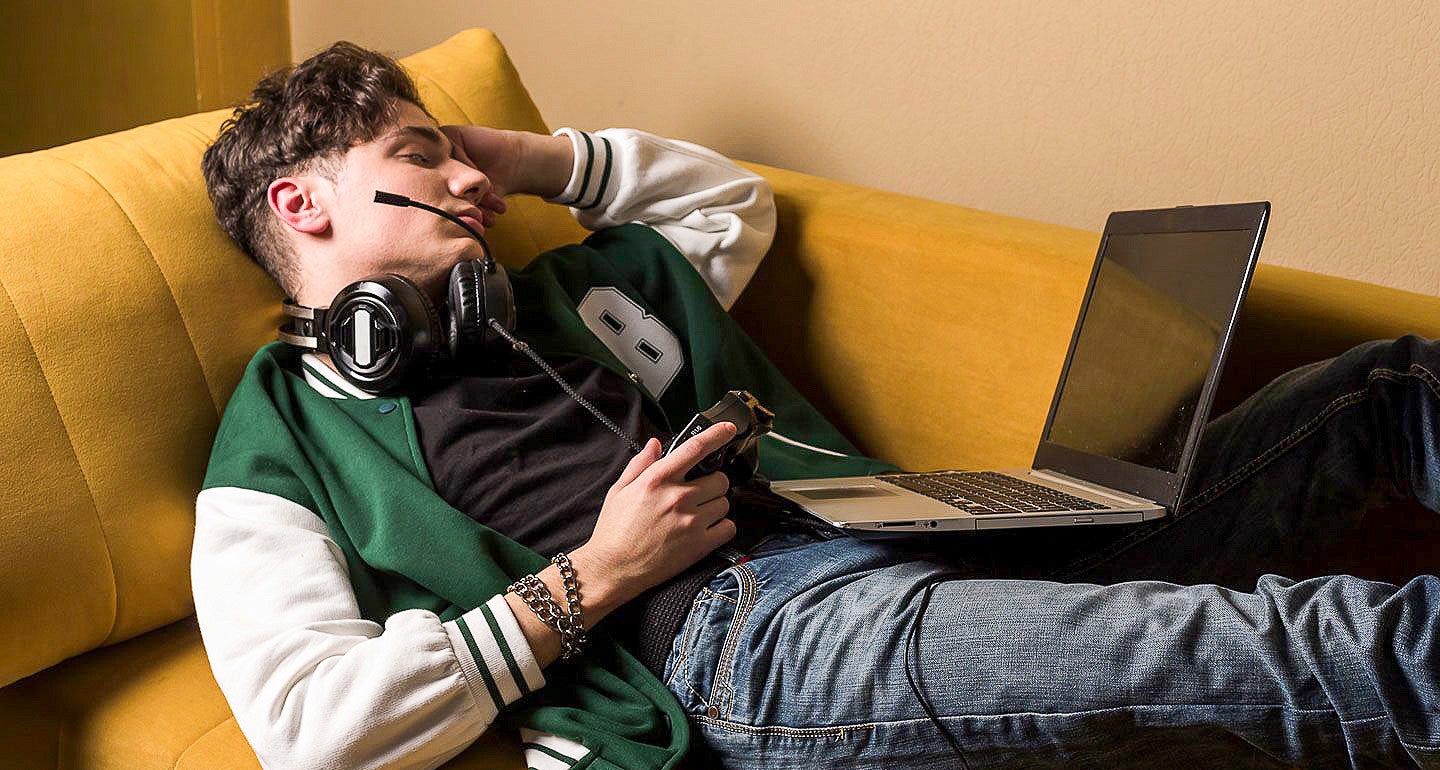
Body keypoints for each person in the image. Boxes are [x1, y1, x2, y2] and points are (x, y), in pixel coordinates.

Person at [191, 41, 1440, 770]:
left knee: (1383, 383)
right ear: (303, 206)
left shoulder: (570, 294)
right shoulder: (280, 446)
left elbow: (730, 208)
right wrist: (592, 578)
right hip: (748, 645)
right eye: (420, 157)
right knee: (1308, 636)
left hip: (881, 529)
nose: (466, 174)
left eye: (460, 153)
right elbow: (311, 724)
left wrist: (510, 157)